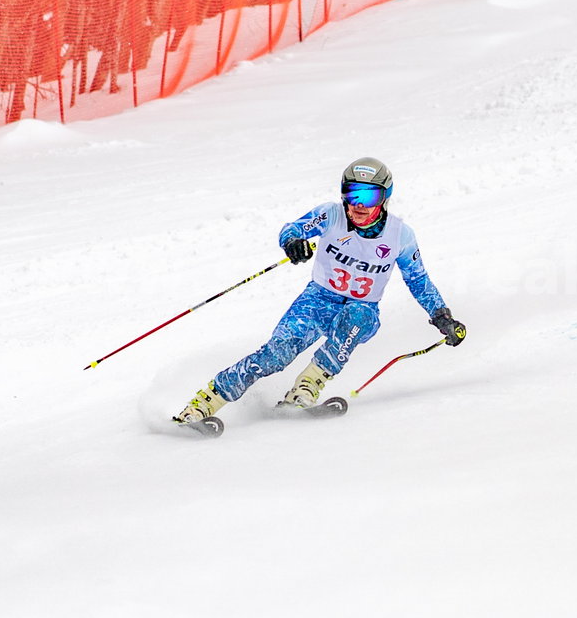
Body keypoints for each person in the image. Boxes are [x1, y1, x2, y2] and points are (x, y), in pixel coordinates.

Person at [174, 156, 465, 425]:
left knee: (357, 315)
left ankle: (305, 389)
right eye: (352, 194)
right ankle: (203, 404)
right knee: (276, 355)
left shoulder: (400, 236)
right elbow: (292, 229)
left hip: (362, 308)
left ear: (384, 198)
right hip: (316, 300)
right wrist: (293, 243)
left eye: (369, 196)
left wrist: (442, 316)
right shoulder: (330, 215)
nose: (359, 205)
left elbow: (418, 280)